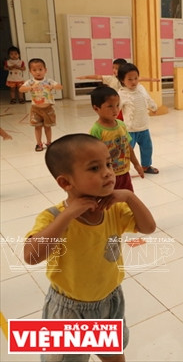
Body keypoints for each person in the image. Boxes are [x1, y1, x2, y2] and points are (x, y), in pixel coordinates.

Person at [23, 133, 156, 362]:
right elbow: (31, 256)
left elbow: (149, 228)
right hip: (69, 311)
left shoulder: (113, 209)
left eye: (108, 164)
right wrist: (68, 216)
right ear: (66, 182)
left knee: (114, 356)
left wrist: (129, 198)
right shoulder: (53, 217)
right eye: (94, 168)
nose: (107, 172)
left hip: (109, 300)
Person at [90, 85, 144, 192]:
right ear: (96, 108)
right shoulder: (96, 130)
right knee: (111, 204)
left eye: (117, 105)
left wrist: (137, 164)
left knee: (127, 199)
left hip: (124, 173)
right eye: (110, 106)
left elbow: (128, 147)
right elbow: (93, 157)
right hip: (107, 177)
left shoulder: (121, 125)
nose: (116, 110)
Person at [117, 63, 159, 174]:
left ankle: (146, 166)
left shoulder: (141, 88)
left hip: (144, 126)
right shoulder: (121, 94)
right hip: (130, 129)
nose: (134, 82)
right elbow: (117, 109)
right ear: (122, 80)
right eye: (130, 79)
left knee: (147, 148)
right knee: (127, 151)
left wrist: (154, 107)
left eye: (136, 78)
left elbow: (148, 99)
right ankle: (121, 170)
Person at [19, 58, 64, 152]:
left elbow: (60, 87)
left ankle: (49, 142)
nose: (37, 72)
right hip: (35, 109)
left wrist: (52, 86)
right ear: (30, 71)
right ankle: (39, 143)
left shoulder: (48, 81)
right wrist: (30, 88)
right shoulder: (30, 82)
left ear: (45, 70)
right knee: (37, 126)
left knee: (48, 126)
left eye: (40, 69)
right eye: (34, 70)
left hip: (48, 108)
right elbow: (21, 89)